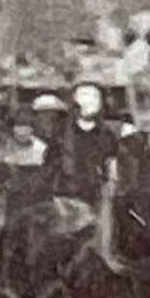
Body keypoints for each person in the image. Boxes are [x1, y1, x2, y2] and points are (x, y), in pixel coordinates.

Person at [45, 79, 117, 207]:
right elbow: (50, 163)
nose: (89, 101)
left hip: (96, 197)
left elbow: (111, 165)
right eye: (84, 95)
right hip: (65, 197)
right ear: (75, 100)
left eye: (95, 97)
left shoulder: (107, 134)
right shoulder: (61, 131)